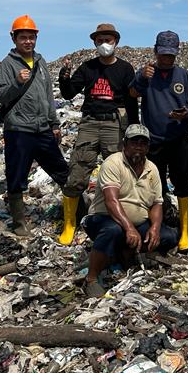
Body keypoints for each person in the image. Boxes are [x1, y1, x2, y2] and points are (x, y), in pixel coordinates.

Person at [56, 23, 139, 245]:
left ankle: (121, 219)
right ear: (94, 42)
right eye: (100, 40)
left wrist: (134, 128)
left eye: (108, 40)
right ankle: (70, 224)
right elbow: (68, 93)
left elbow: (131, 100)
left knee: (119, 172)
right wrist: (64, 77)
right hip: (90, 123)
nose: (104, 44)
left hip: (114, 123)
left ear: (116, 42)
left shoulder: (125, 69)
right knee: (78, 171)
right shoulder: (88, 68)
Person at [82, 124, 177, 297]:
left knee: (168, 236)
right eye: (134, 142)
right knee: (113, 230)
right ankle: (91, 279)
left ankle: (124, 252)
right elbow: (112, 201)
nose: (138, 147)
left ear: (148, 147)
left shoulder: (152, 169)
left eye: (143, 143)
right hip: (104, 218)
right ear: (124, 144)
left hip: (137, 223)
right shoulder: (113, 163)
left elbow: (157, 203)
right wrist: (129, 228)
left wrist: (155, 227)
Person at [0, 15, 69, 237]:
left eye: (31, 37)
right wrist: (17, 82)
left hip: (42, 128)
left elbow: (48, 96)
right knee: (17, 177)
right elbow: (1, 96)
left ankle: (76, 212)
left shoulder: (40, 61)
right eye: (23, 37)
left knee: (62, 172)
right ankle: (19, 222)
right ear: (14, 38)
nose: (27, 41)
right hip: (19, 130)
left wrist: (54, 123)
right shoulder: (8, 64)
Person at [129, 31, 188, 250]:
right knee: (154, 187)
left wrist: (186, 113)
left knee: (183, 184)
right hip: (154, 142)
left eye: (171, 55)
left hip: (180, 139)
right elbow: (132, 93)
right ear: (155, 51)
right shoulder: (147, 74)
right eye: (163, 54)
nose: (167, 59)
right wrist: (141, 77)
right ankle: (156, 227)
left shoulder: (184, 75)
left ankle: (186, 231)